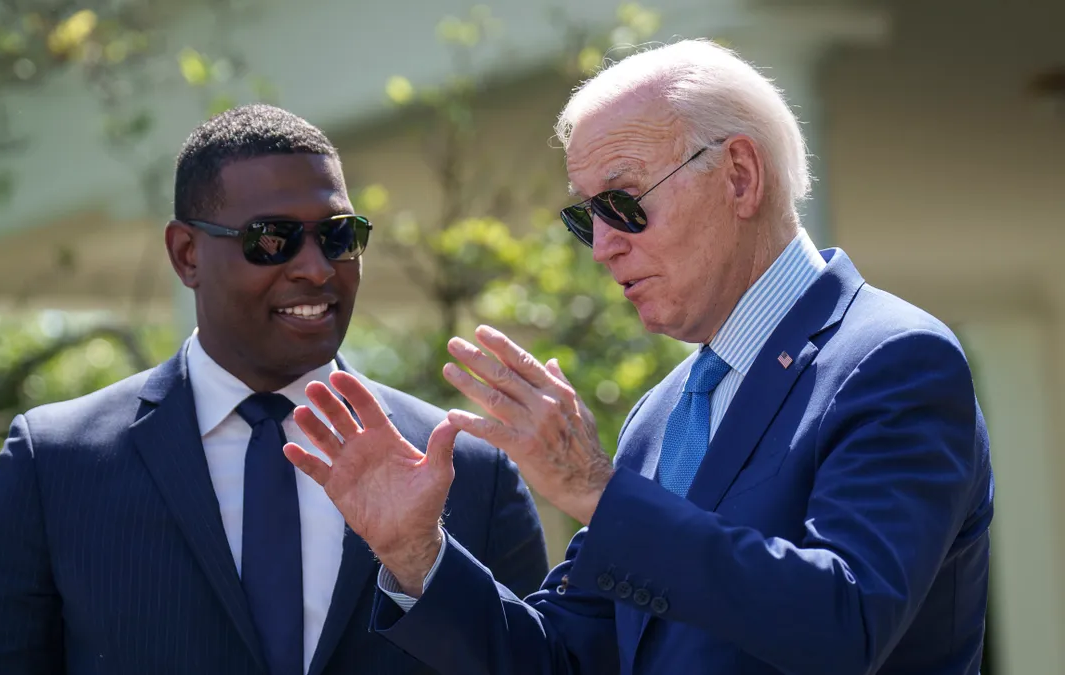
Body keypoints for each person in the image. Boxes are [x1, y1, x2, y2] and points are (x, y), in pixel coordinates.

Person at [282, 39, 995, 675]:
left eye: (622, 203)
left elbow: (847, 624)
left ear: (740, 175)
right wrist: (417, 553)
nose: (601, 245)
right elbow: (566, 656)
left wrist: (597, 488)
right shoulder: (663, 412)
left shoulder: (892, 358)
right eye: (583, 216)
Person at [0, 104, 549, 675]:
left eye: (339, 236)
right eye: (272, 239)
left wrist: (422, 558)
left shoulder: (468, 471)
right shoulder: (55, 465)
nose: (316, 267)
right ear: (186, 254)